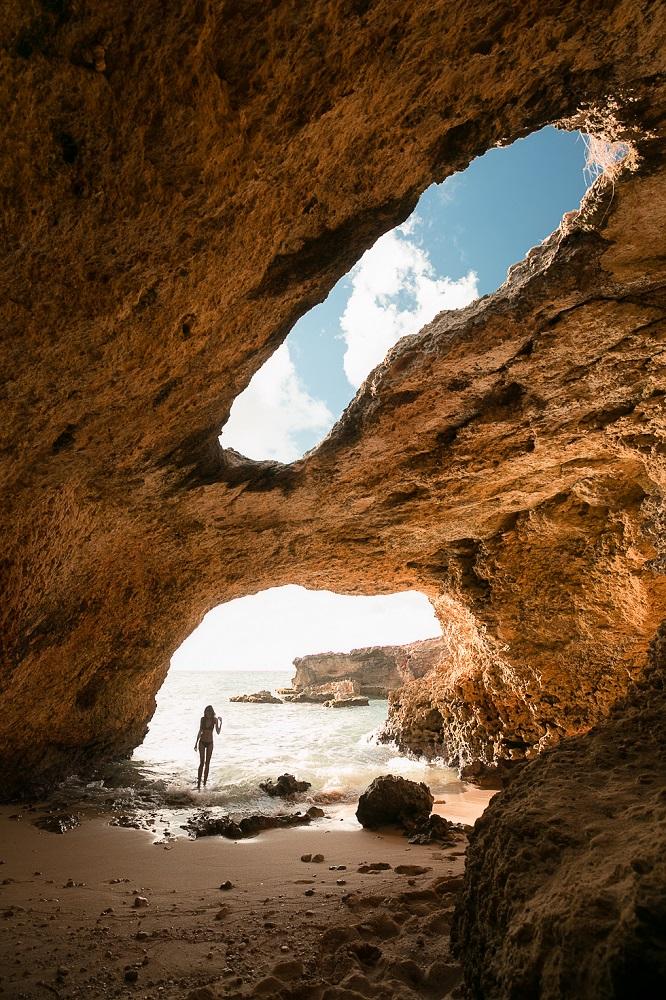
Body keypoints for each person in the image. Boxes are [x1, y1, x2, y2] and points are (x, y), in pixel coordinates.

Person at [195, 704, 222, 790]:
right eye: (207, 712)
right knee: (201, 763)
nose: (208, 713)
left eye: (209, 712)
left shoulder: (215, 720)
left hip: (210, 743)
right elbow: (200, 731)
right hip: (202, 742)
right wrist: (196, 743)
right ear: (205, 712)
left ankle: (204, 783)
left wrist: (221, 723)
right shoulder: (202, 719)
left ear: (212, 712)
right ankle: (198, 784)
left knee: (207, 763)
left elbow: (218, 732)